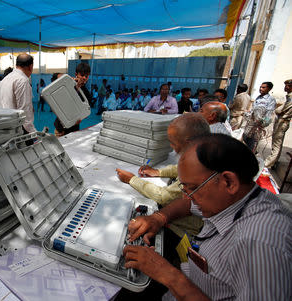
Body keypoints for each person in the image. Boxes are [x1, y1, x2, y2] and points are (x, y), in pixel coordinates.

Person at [124, 134, 291, 300]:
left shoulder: (260, 244)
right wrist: (158, 218)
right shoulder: (234, 198)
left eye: (192, 188)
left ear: (229, 182)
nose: (187, 197)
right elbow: (188, 205)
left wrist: (168, 275)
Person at [116, 113, 210, 238]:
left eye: (173, 143)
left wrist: (132, 179)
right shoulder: (205, 151)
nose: (171, 147)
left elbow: (163, 197)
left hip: (188, 229)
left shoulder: (198, 167)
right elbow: (178, 168)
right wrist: (159, 172)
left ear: (188, 143)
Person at [0, 53, 36, 133]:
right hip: (20, 128)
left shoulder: (6, 78)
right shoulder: (22, 81)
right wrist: (32, 133)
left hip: (8, 124)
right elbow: (24, 110)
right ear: (30, 66)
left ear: (16, 65)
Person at [54, 62, 92, 137]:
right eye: (82, 75)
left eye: (86, 76)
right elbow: (55, 76)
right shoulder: (66, 85)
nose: (84, 78)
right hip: (60, 128)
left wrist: (81, 117)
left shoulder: (86, 94)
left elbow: (86, 111)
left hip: (74, 129)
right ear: (76, 74)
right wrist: (72, 82)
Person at [264, 79, 292, 168]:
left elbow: (280, 110)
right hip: (281, 121)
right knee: (276, 142)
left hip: (282, 122)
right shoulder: (288, 97)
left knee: (277, 144)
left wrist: (277, 110)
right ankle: (274, 161)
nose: (285, 87)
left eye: (287, 85)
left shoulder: (291, 98)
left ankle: (268, 163)